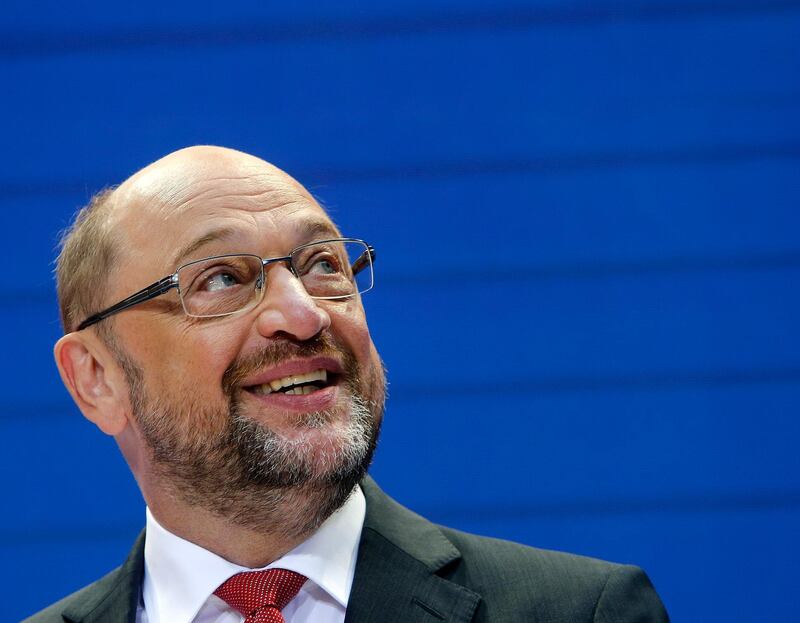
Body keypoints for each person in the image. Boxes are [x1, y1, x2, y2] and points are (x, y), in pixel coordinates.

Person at [25, 146, 669, 622]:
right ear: (96, 379)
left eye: (322, 264)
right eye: (220, 278)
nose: (304, 315)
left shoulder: (584, 612)